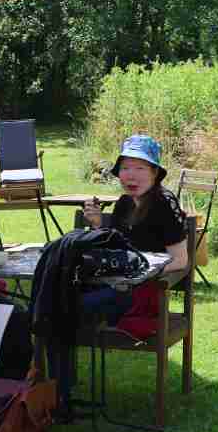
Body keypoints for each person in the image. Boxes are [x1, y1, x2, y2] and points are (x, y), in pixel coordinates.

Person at [79, 134, 189, 323]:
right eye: (125, 168)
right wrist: (97, 223)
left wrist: (137, 275)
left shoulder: (164, 203)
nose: (131, 175)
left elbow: (180, 261)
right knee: (55, 295)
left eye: (140, 168)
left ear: (154, 173)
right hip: (115, 286)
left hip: (143, 293)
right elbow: (113, 248)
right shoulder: (124, 203)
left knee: (70, 307)